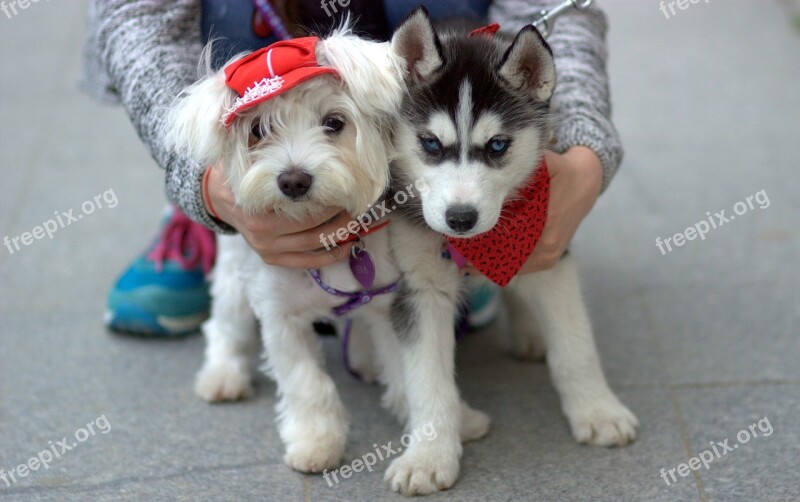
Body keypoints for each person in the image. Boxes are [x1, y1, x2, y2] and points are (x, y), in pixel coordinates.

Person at [82, 0, 622, 336]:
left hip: (435, 77)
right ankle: (228, 201)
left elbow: (558, 11)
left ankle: (419, 210)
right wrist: (202, 181)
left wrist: (581, 147)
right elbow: (136, 15)